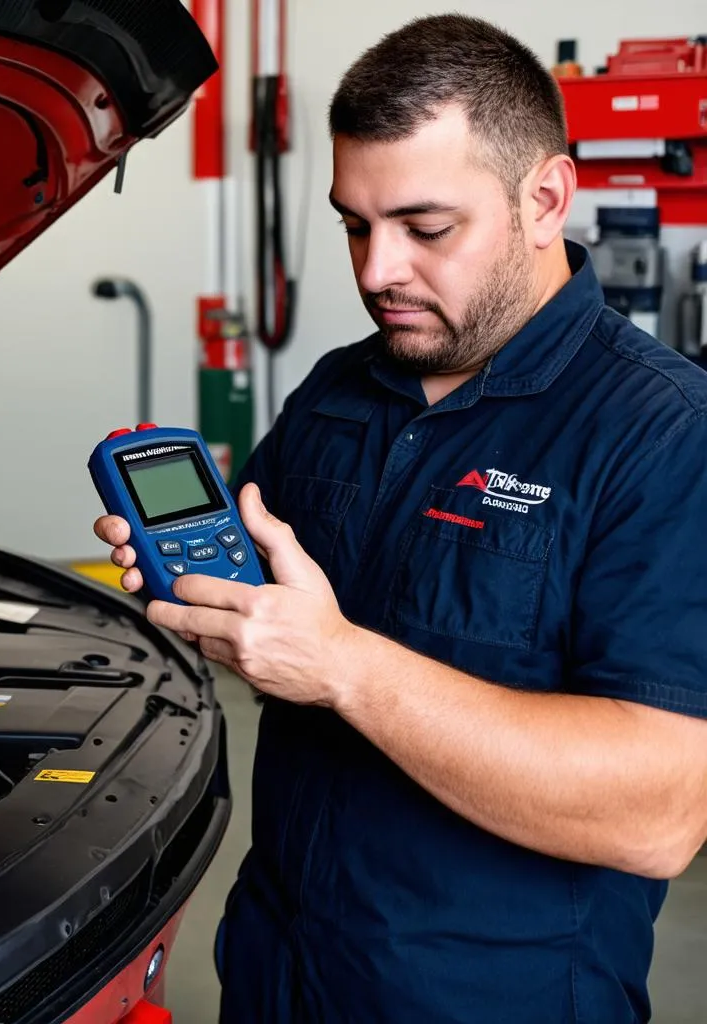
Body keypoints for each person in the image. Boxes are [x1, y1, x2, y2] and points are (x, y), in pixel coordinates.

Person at [95, 14, 707, 1023]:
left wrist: (342, 664)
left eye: (426, 229)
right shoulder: (338, 393)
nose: (376, 270)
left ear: (544, 199)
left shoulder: (662, 435)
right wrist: (202, 597)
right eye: (352, 223)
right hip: (277, 974)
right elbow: (267, 618)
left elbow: (658, 811)